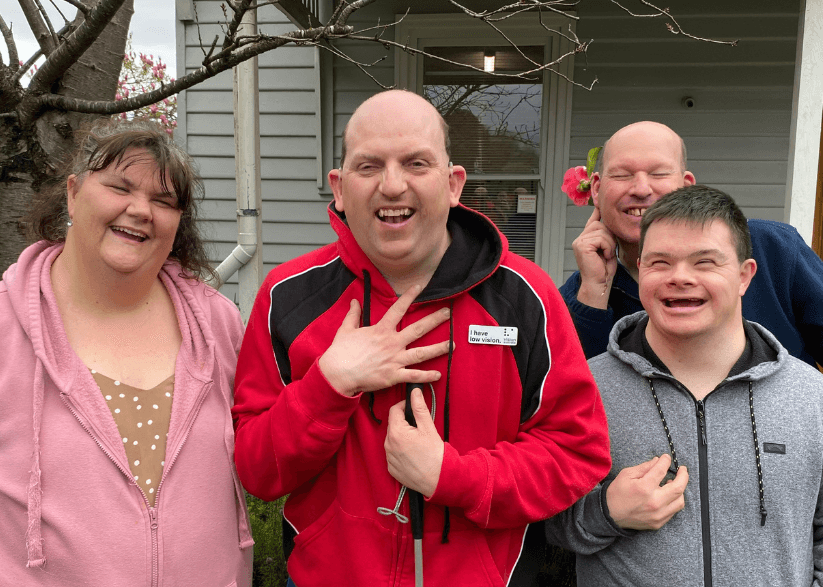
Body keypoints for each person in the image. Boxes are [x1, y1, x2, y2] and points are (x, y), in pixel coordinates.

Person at [231, 90, 611, 587]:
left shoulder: (524, 296)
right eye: (368, 166)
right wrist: (329, 385)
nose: (392, 185)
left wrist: (450, 476)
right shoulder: (287, 296)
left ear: (453, 184)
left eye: (416, 163)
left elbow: (577, 451)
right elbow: (257, 471)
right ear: (339, 187)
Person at [0, 121, 253, 585]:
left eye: (163, 201)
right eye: (120, 186)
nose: (141, 210)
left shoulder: (217, 324)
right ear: (73, 194)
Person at [546, 185, 823, 586]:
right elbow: (539, 525)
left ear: (745, 275)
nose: (680, 278)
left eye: (705, 262)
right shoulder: (584, 392)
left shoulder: (815, 401)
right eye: (661, 262)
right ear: (641, 269)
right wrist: (604, 514)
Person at [559, 121, 823, 381]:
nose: (640, 188)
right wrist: (594, 294)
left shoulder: (771, 248)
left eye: (659, 173)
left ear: (687, 184)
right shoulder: (577, 297)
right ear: (596, 189)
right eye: (622, 174)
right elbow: (575, 398)